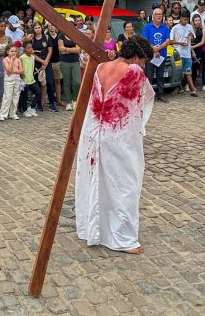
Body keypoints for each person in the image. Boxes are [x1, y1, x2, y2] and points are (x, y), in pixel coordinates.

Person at [75, 36, 154, 255]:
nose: (143, 67)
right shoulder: (134, 71)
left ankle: (94, 228)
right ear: (136, 57)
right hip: (119, 135)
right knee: (125, 183)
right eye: (143, 62)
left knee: (96, 181)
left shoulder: (101, 67)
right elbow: (144, 98)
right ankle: (123, 238)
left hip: (94, 133)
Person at [141, 8, 171, 103]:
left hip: (161, 56)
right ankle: (148, 96)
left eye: (160, 14)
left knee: (160, 76)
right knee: (149, 76)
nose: (159, 16)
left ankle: (160, 94)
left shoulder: (165, 27)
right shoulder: (147, 27)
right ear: (153, 16)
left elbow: (167, 41)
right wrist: (154, 50)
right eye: (157, 14)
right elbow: (144, 40)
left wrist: (158, 48)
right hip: (150, 56)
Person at [170, 10, 197, 96]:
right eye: (185, 19)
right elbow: (170, 41)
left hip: (187, 53)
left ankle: (193, 89)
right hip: (178, 53)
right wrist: (179, 43)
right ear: (181, 18)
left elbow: (193, 38)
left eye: (187, 20)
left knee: (188, 71)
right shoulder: (175, 28)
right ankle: (181, 88)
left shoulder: (190, 27)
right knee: (179, 72)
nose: (186, 21)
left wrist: (191, 36)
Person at [58, 29, 83, 110]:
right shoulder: (61, 35)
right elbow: (61, 50)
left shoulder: (76, 35)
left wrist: (66, 49)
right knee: (67, 82)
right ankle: (68, 102)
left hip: (75, 61)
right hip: (64, 61)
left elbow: (78, 49)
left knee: (77, 82)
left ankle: (74, 100)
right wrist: (72, 49)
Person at [0, 44, 22, 121]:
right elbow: (8, 69)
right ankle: (2, 114)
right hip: (9, 80)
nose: (13, 53)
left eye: (15, 51)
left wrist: (13, 71)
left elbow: (21, 70)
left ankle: (12, 113)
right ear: (7, 52)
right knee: (7, 96)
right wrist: (11, 60)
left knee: (16, 96)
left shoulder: (18, 60)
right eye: (11, 51)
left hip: (17, 79)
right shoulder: (5, 60)